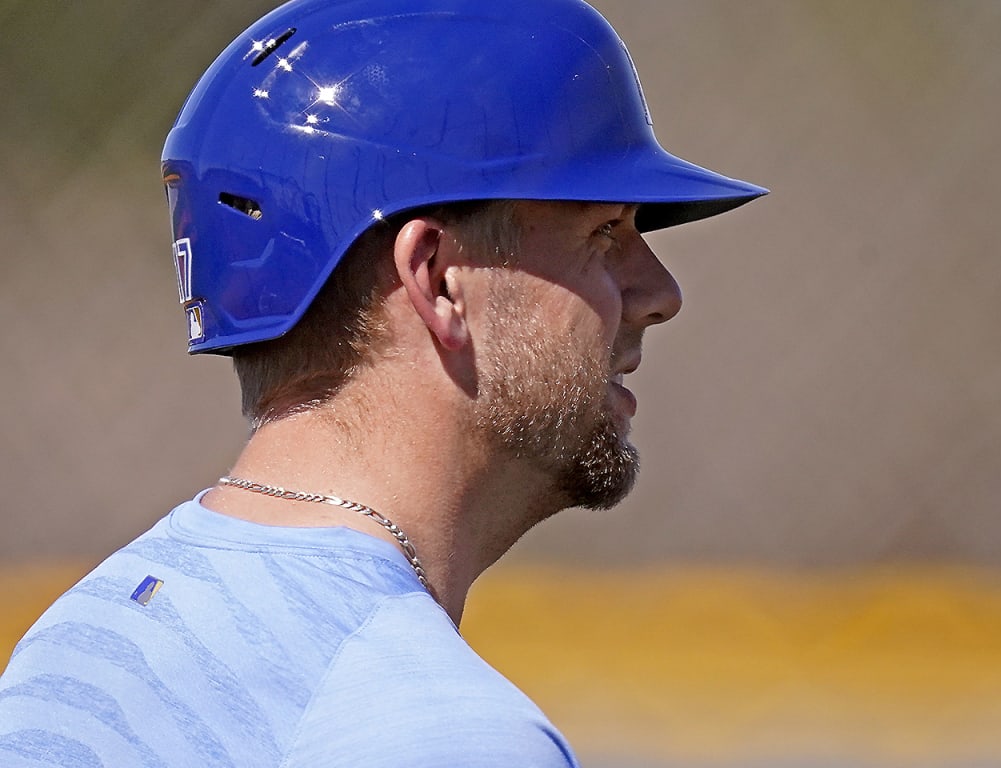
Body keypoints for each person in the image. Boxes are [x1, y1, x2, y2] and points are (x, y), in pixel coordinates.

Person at [0, 0, 764, 764]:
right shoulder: (441, 731)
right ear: (437, 279)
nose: (661, 291)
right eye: (605, 232)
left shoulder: (73, 646)